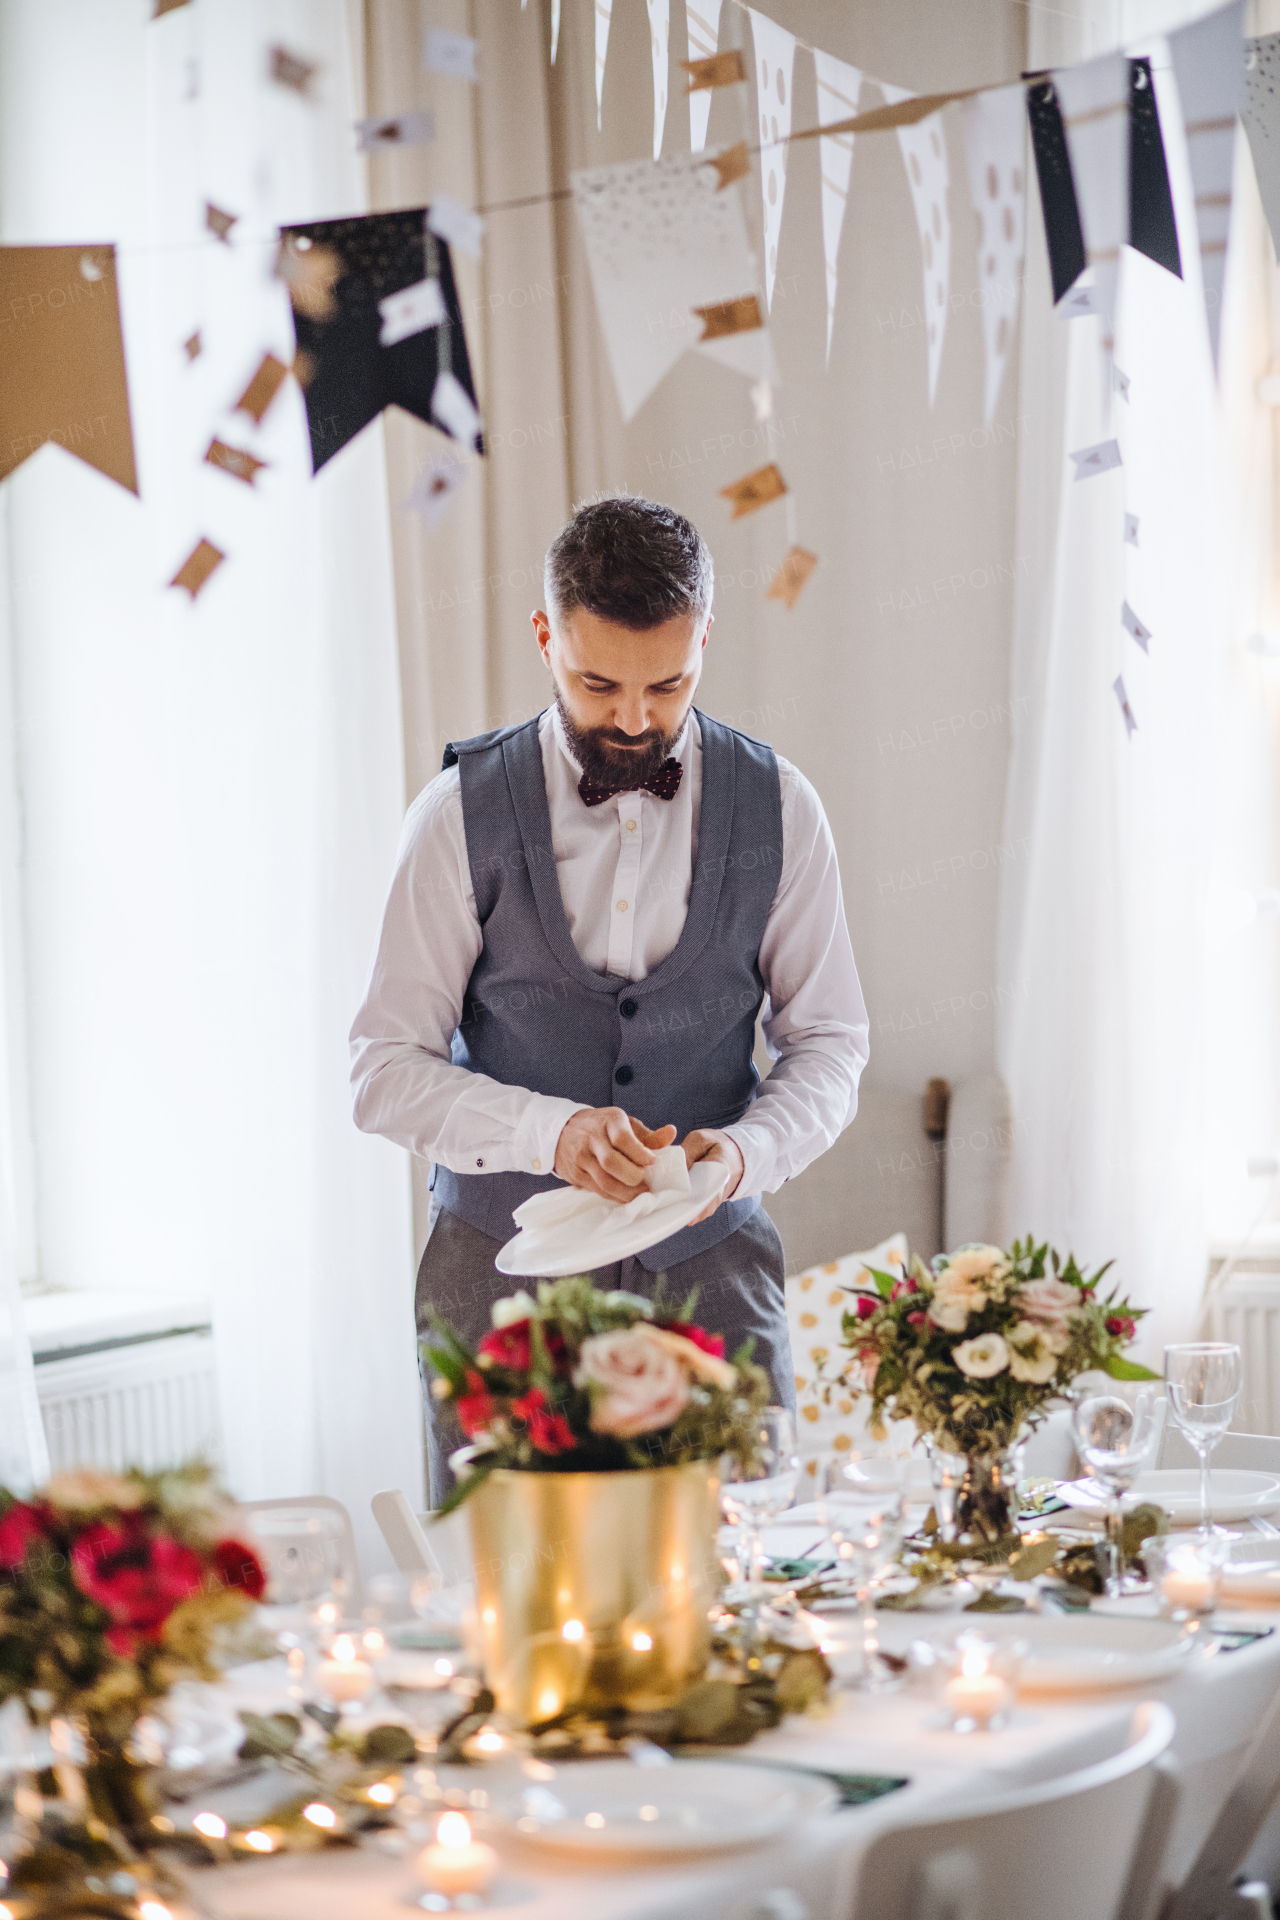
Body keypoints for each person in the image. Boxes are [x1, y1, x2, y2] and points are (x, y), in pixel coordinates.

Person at [350, 495, 869, 1501]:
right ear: (545, 638)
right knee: (518, 1616)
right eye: (597, 684)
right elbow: (382, 1070)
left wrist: (744, 1155)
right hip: (499, 1293)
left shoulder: (781, 809)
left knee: (747, 1602)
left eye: (667, 685)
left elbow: (830, 1040)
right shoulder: (456, 816)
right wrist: (550, 1135)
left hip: (713, 1281)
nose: (633, 721)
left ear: (705, 640)